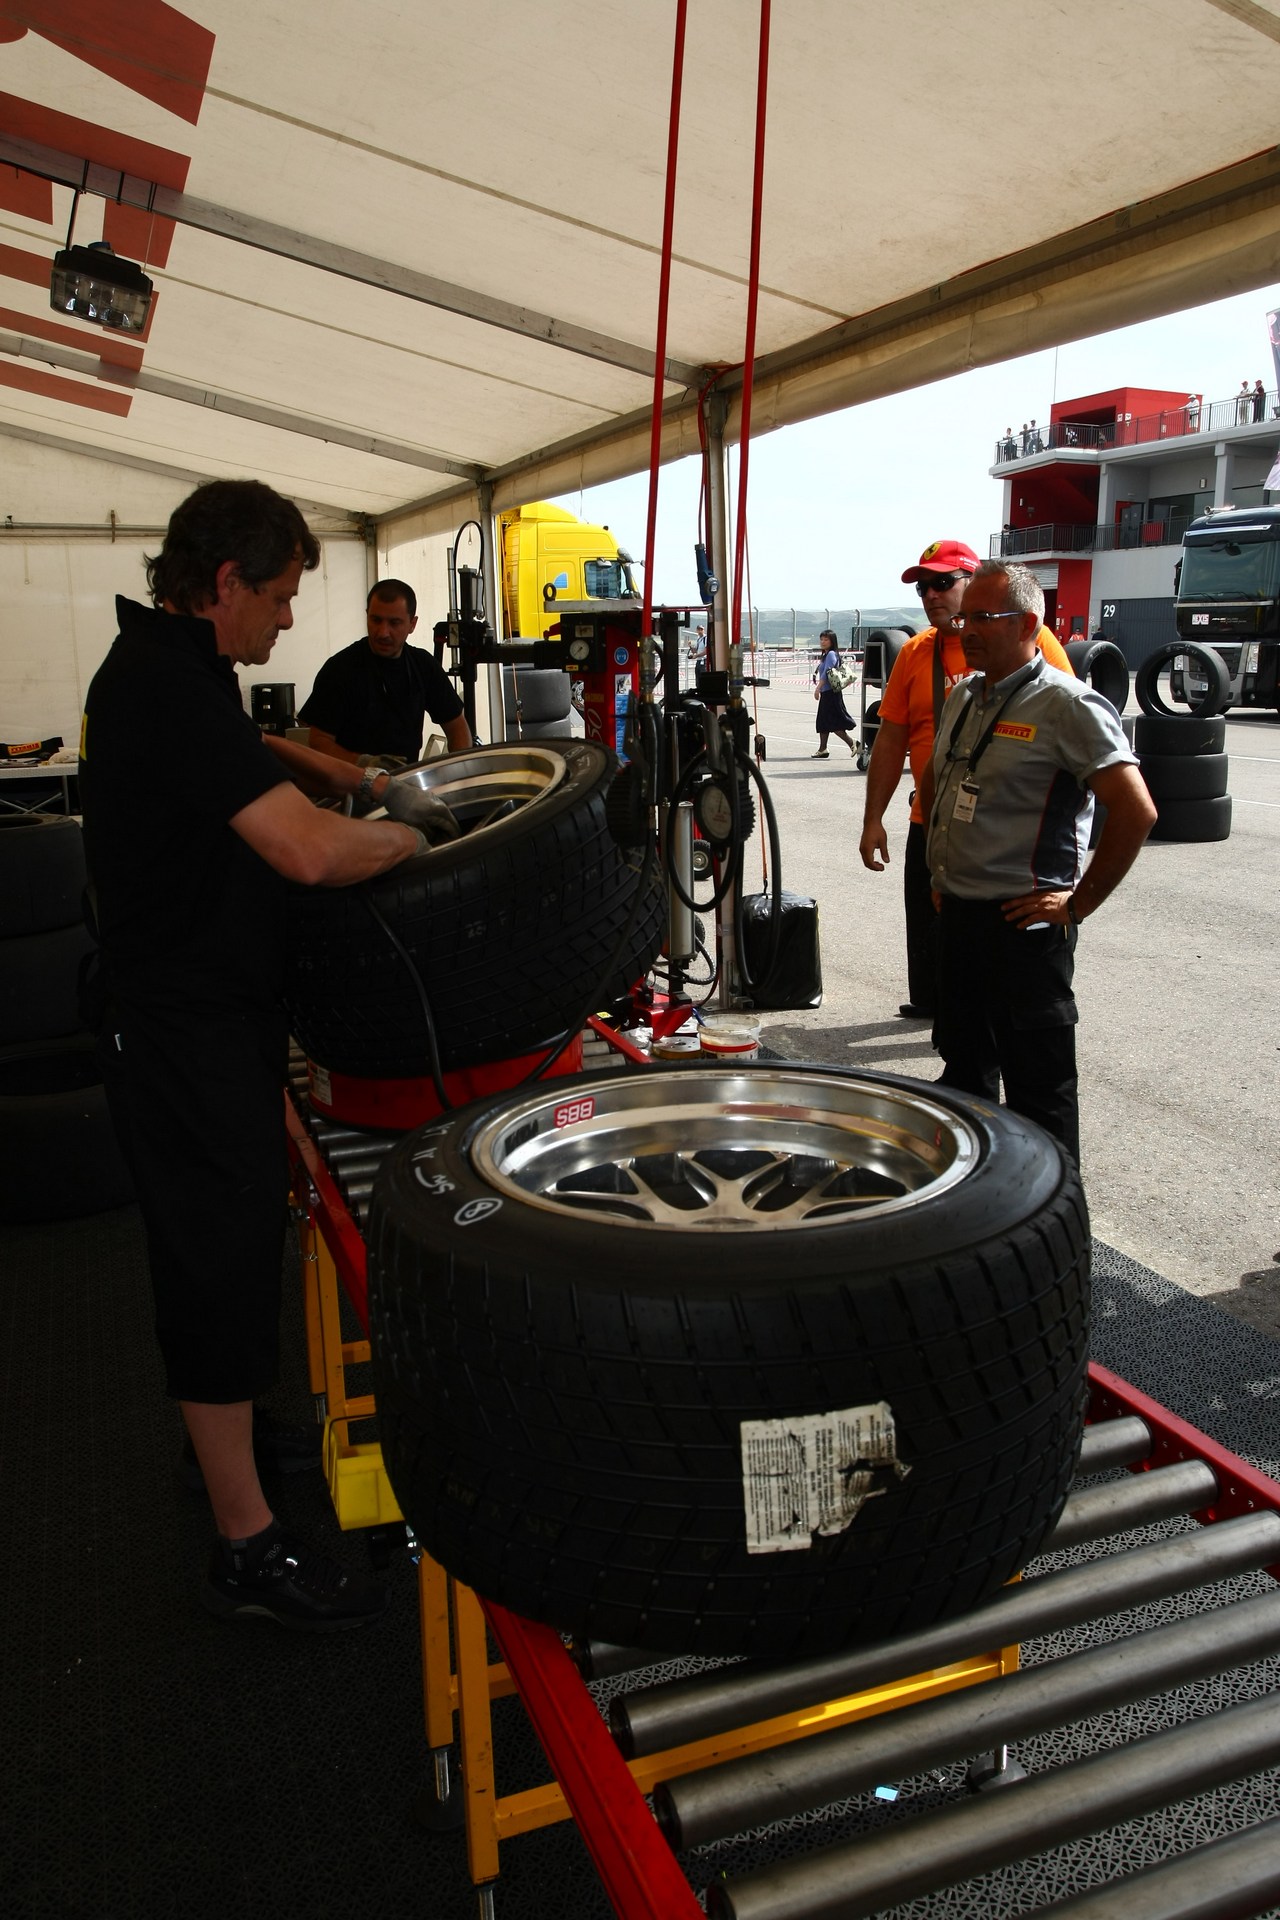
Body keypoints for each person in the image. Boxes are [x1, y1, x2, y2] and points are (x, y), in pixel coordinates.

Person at [79, 480, 459, 1633]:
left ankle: (227, 1438)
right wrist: (406, 833)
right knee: (212, 1254)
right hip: (177, 1025)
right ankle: (244, 1545)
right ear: (227, 583)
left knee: (232, 1242)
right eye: (283, 597)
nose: (291, 621)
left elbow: (236, 755)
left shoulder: (171, 670)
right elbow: (302, 858)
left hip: (201, 1015)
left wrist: (332, 768)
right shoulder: (160, 681)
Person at [920, 561, 1156, 1162]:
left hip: (1025, 928)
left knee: (1039, 1096)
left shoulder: (1067, 705)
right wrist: (946, 878)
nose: (966, 628)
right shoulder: (965, 696)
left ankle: (1057, 1237)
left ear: (1029, 623)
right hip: (961, 922)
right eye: (965, 615)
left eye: (984, 617)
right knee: (965, 1082)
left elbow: (1137, 812)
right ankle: (981, 1221)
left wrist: (1078, 904)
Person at [859, 540, 1071, 1020]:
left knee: (1004, 962)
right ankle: (942, 1013)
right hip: (933, 819)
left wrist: (1077, 888)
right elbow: (891, 742)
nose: (931, 595)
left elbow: (1069, 729)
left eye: (942, 583)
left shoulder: (1032, 643)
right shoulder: (915, 654)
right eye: (924, 588)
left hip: (1006, 833)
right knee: (934, 932)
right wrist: (873, 819)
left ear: (973, 584)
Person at [299, 579, 472, 767]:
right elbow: (318, 742)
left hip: (405, 786)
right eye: (376, 620)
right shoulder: (339, 669)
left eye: (394, 623)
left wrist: (458, 772)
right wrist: (363, 764)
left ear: (412, 624)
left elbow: (457, 728)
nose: (383, 632)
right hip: (349, 788)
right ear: (366, 615)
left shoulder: (423, 666)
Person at [812, 628, 856, 758]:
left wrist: (818, 688)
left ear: (832, 641)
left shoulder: (831, 654)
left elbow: (827, 673)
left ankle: (853, 743)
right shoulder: (826, 655)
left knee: (833, 723)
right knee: (823, 722)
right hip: (828, 693)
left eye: (826, 639)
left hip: (830, 693)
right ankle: (823, 749)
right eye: (821, 639)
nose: (823, 642)